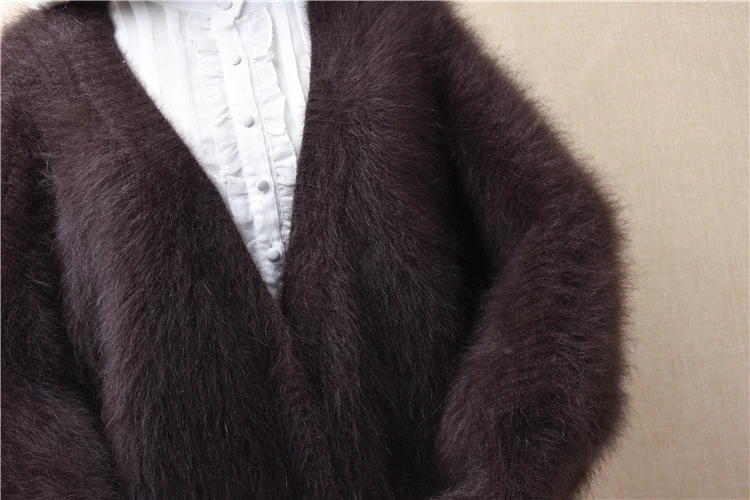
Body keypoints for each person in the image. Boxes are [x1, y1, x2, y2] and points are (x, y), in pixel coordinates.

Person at [0, 1, 630, 499]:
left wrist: (505, 471)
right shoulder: (32, 77)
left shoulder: (392, 19)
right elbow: (12, 369)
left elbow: (559, 226)